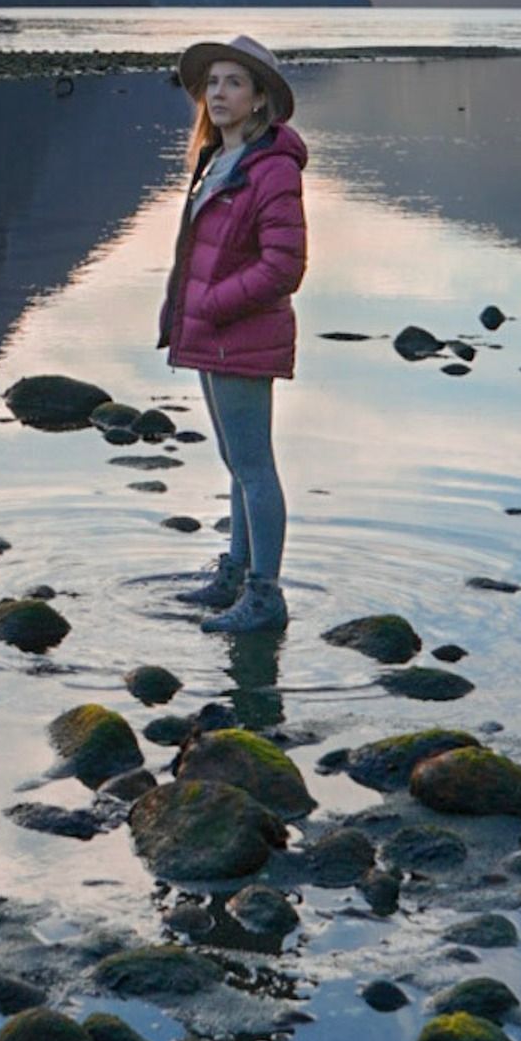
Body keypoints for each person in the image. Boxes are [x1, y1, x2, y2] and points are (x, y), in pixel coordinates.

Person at [156, 35, 308, 634]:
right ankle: (237, 576)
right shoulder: (219, 160)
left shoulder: (272, 170)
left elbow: (284, 266)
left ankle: (265, 596)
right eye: (213, 83)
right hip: (212, 333)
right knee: (235, 462)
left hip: (238, 335)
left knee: (254, 467)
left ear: (260, 98)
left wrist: (213, 305)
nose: (218, 93)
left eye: (234, 83)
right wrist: (188, 313)